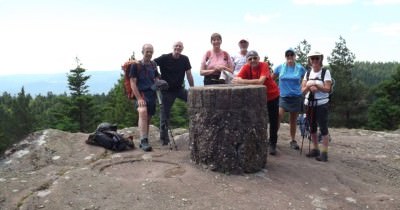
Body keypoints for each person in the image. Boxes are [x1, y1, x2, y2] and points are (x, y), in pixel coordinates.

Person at [232, 50, 280, 155]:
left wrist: (242, 81)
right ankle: (259, 141)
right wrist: (241, 80)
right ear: (247, 61)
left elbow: (260, 81)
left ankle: (273, 143)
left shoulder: (264, 65)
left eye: (255, 58)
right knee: (258, 120)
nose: (253, 60)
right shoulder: (246, 67)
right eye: (250, 59)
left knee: (273, 120)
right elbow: (237, 79)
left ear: (258, 58)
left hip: (272, 96)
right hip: (258, 98)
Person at [154, 41, 194, 145]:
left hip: (179, 89)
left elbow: (189, 74)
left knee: (194, 102)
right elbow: (152, 64)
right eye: (176, 46)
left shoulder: (185, 59)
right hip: (166, 91)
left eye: (180, 46)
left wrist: (193, 89)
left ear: (182, 48)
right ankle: (164, 139)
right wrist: (157, 76)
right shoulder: (164, 58)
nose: (178, 48)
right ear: (173, 47)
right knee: (164, 114)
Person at [301, 51, 332, 162]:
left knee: (323, 127)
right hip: (309, 103)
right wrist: (309, 87)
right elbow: (303, 90)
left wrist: (316, 86)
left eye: (316, 58)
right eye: (312, 58)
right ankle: (315, 149)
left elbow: (328, 89)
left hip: (321, 104)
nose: (314, 60)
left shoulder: (325, 72)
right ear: (309, 60)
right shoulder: (307, 73)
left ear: (320, 59)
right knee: (312, 127)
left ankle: (324, 153)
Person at [272, 48, 306, 150]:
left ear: (295, 56)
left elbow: (307, 78)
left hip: (296, 96)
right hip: (283, 96)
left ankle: (292, 140)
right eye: (288, 56)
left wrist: (304, 87)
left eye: (292, 55)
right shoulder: (280, 67)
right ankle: (273, 139)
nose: (290, 57)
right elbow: (271, 78)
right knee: (278, 116)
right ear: (285, 57)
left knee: (293, 120)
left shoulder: (300, 68)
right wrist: (274, 90)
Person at [129, 44, 160, 152]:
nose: (149, 53)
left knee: (148, 118)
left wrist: (160, 83)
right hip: (141, 94)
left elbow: (156, 77)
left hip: (152, 94)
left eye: (151, 51)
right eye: (147, 51)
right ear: (142, 52)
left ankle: (145, 139)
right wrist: (139, 98)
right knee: (142, 112)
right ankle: (143, 141)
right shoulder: (136, 65)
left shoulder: (153, 65)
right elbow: (132, 83)